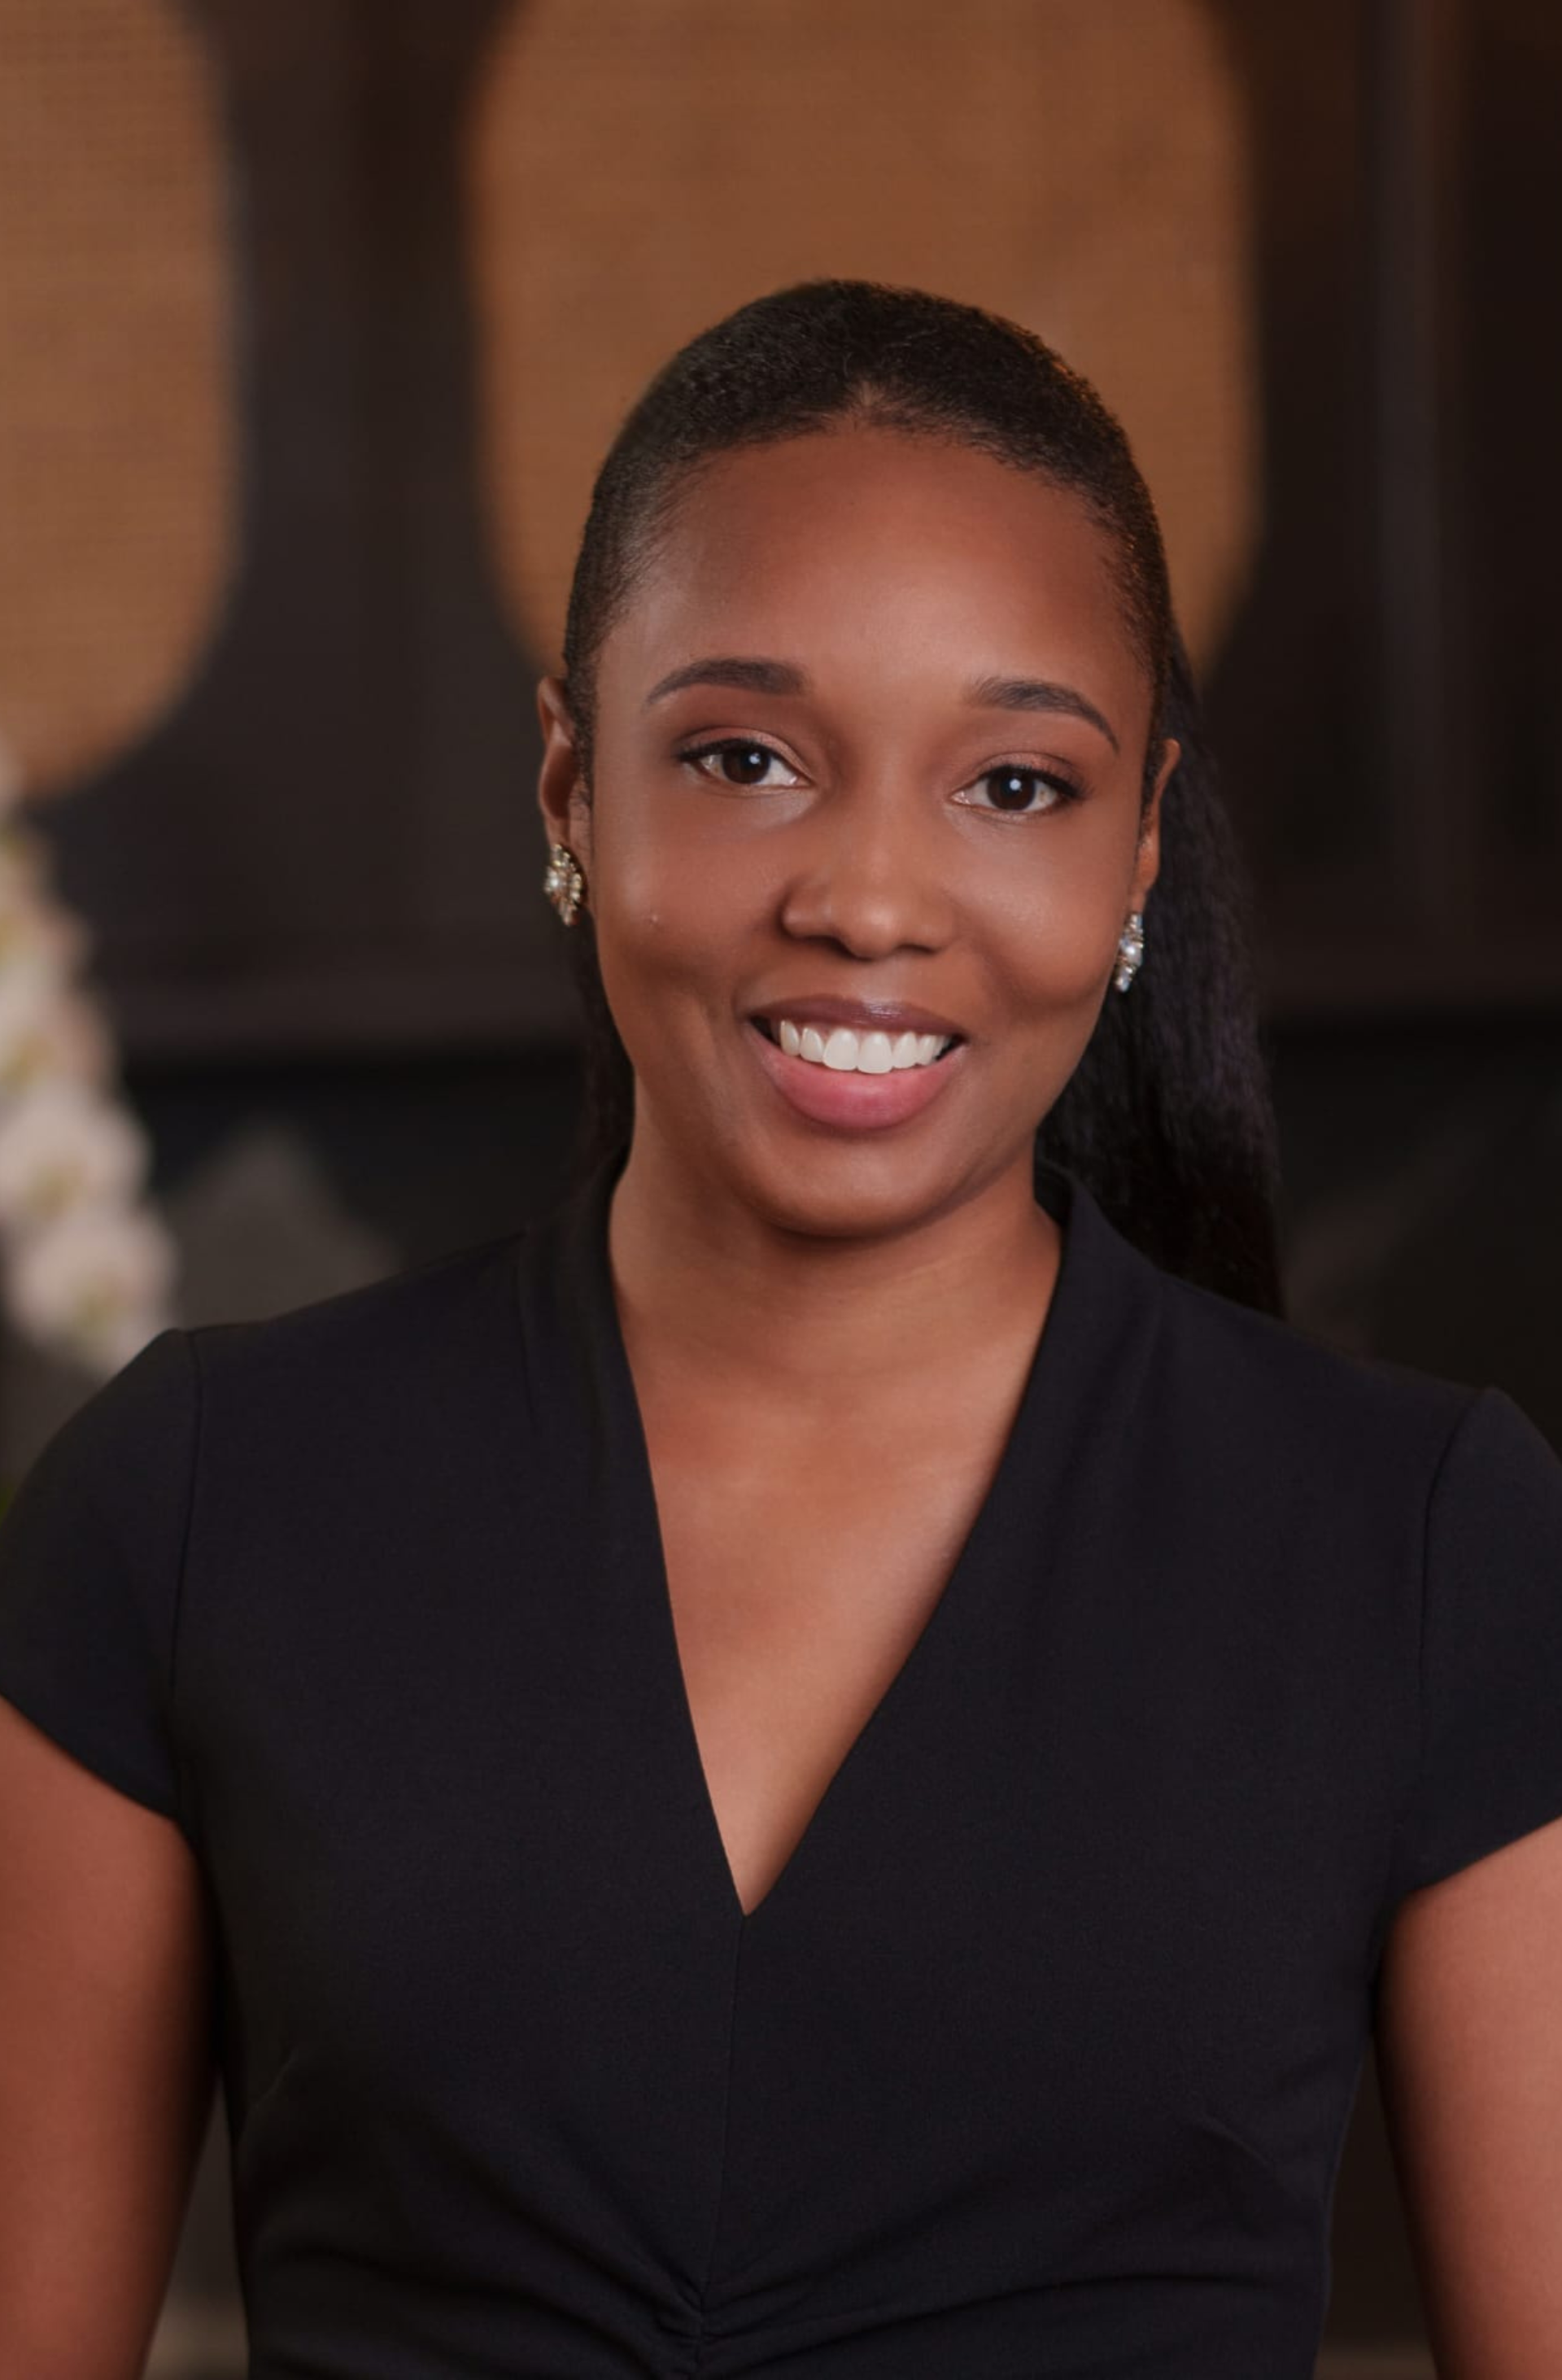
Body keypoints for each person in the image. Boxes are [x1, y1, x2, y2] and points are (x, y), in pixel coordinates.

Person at [2, 277, 1560, 2380]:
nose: (872, 895)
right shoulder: (192, 1507)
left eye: (1014, 785)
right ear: (570, 780)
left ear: (1142, 850)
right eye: (745, 756)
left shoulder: (1422, 1539)